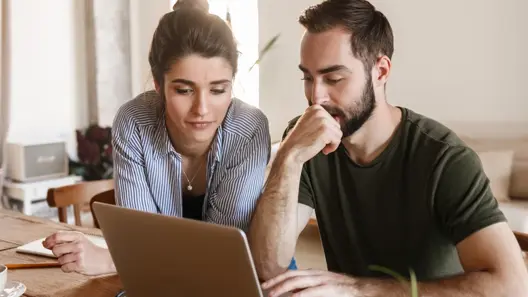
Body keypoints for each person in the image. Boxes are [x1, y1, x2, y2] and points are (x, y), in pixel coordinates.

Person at [248, 0, 528, 296]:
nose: (316, 97)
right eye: (308, 77)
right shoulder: (306, 140)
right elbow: (268, 266)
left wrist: (359, 289)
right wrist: (289, 157)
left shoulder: (444, 158)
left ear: (380, 71)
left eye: (334, 79)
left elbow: (511, 286)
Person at [41, 0, 288, 275]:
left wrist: (111, 261)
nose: (202, 110)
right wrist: (132, 256)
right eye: (184, 90)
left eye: (218, 90)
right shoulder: (134, 122)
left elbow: (220, 254)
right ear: (159, 85)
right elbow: (139, 239)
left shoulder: (249, 129)